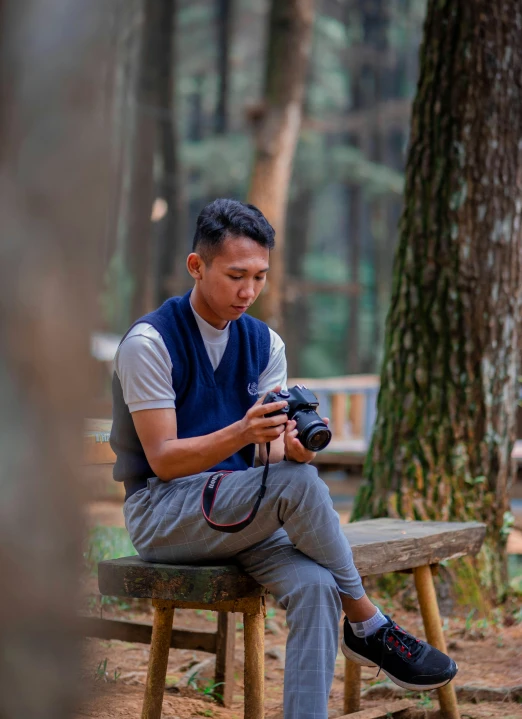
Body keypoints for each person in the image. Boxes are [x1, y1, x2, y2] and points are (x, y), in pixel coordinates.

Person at [111, 199, 457, 719]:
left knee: (317, 587)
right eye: (234, 276)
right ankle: (367, 622)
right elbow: (163, 461)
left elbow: (267, 455)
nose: (248, 291)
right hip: (164, 513)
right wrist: (244, 433)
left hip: (239, 510)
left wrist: (288, 447)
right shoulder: (150, 342)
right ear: (196, 266)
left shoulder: (264, 342)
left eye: (260, 276)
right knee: (296, 486)